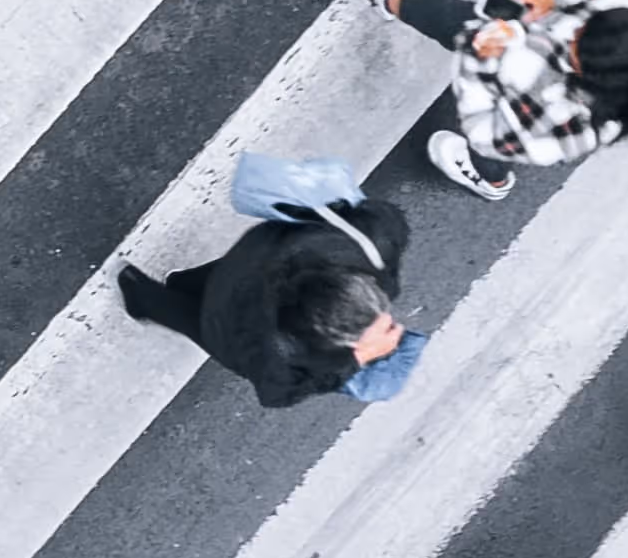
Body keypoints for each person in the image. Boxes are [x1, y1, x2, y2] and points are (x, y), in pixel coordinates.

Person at [324, 0, 628, 201]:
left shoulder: (558, 124)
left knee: (489, 150)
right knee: (446, 16)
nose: (570, 26)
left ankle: (489, 179)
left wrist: (483, 58)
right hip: (521, 42)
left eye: (575, 37)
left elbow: (484, 130)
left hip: (510, 91)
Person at [115, 174, 417, 408]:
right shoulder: (287, 349)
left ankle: (178, 282)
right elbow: (277, 393)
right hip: (236, 316)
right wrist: (357, 358)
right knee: (196, 320)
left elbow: (384, 218)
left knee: (215, 280)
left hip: (257, 258)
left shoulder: (371, 248)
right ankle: (139, 294)